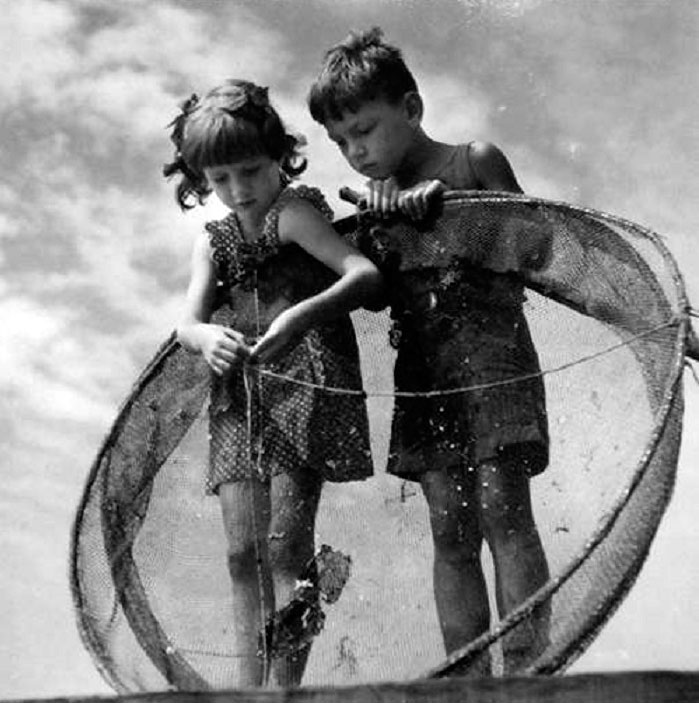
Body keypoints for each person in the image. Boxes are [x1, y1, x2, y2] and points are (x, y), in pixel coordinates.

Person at [308, 28, 550, 675]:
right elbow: (377, 298)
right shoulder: (375, 202)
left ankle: (528, 672)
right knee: (450, 532)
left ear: (410, 109)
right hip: (425, 375)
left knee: (505, 511)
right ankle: (466, 679)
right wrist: (383, 226)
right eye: (340, 141)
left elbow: (534, 245)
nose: (354, 151)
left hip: (493, 363)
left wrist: (447, 210)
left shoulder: (472, 160)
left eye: (364, 129)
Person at [164, 79, 382, 688]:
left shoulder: (294, 213)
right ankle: (249, 687)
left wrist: (300, 315)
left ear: (277, 156)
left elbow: (365, 277)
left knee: (284, 550)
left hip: (304, 387)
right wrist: (206, 338)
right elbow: (187, 325)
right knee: (241, 556)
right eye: (220, 179)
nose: (238, 190)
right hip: (240, 398)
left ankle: (281, 691)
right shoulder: (214, 243)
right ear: (201, 180)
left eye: (250, 171)